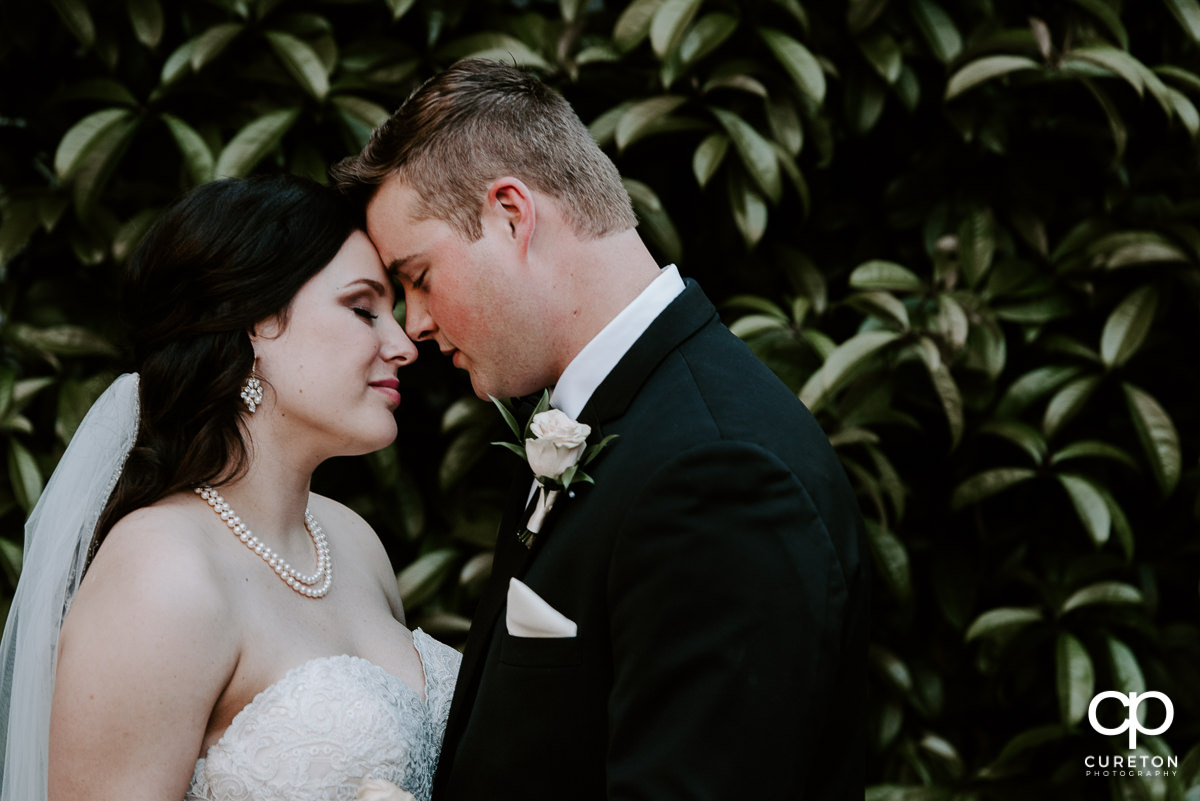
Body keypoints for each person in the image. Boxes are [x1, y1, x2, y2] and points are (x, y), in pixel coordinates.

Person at [331, 58, 868, 799]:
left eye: (419, 277)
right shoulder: (613, 418)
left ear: (511, 216)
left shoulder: (719, 473)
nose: (415, 324)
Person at [0, 174, 460, 801]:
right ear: (252, 325)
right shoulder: (162, 573)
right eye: (362, 309)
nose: (403, 345)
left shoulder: (353, 541)